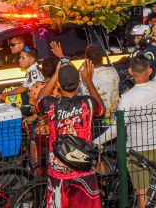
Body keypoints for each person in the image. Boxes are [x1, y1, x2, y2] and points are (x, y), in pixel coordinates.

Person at [94, 26, 156, 208]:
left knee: (142, 195)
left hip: (138, 151)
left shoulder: (128, 99)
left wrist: (96, 142)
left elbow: (116, 129)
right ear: (149, 71)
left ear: (130, 72)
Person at [35, 57, 104, 208]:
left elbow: (38, 100)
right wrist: (88, 80)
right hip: (84, 170)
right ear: (79, 84)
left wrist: (55, 76)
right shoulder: (88, 103)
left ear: (59, 85)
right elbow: (101, 108)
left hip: (59, 172)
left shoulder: (51, 105)